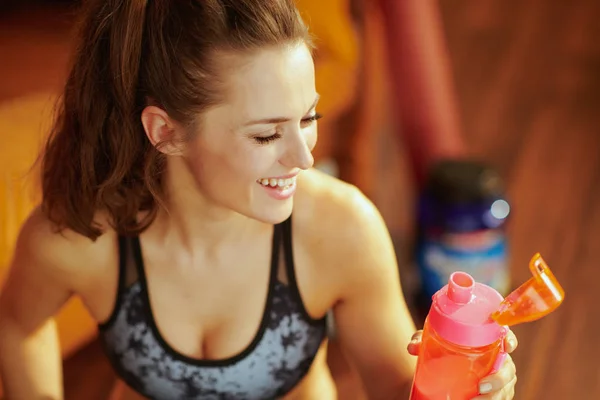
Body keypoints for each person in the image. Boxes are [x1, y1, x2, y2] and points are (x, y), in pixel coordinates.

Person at [0, 0, 518, 399]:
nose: (304, 157)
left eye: (307, 119)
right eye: (267, 135)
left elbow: (394, 387)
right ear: (167, 131)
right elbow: (18, 325)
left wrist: (466, 384)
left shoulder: (341, 229)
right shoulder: (84, 239)